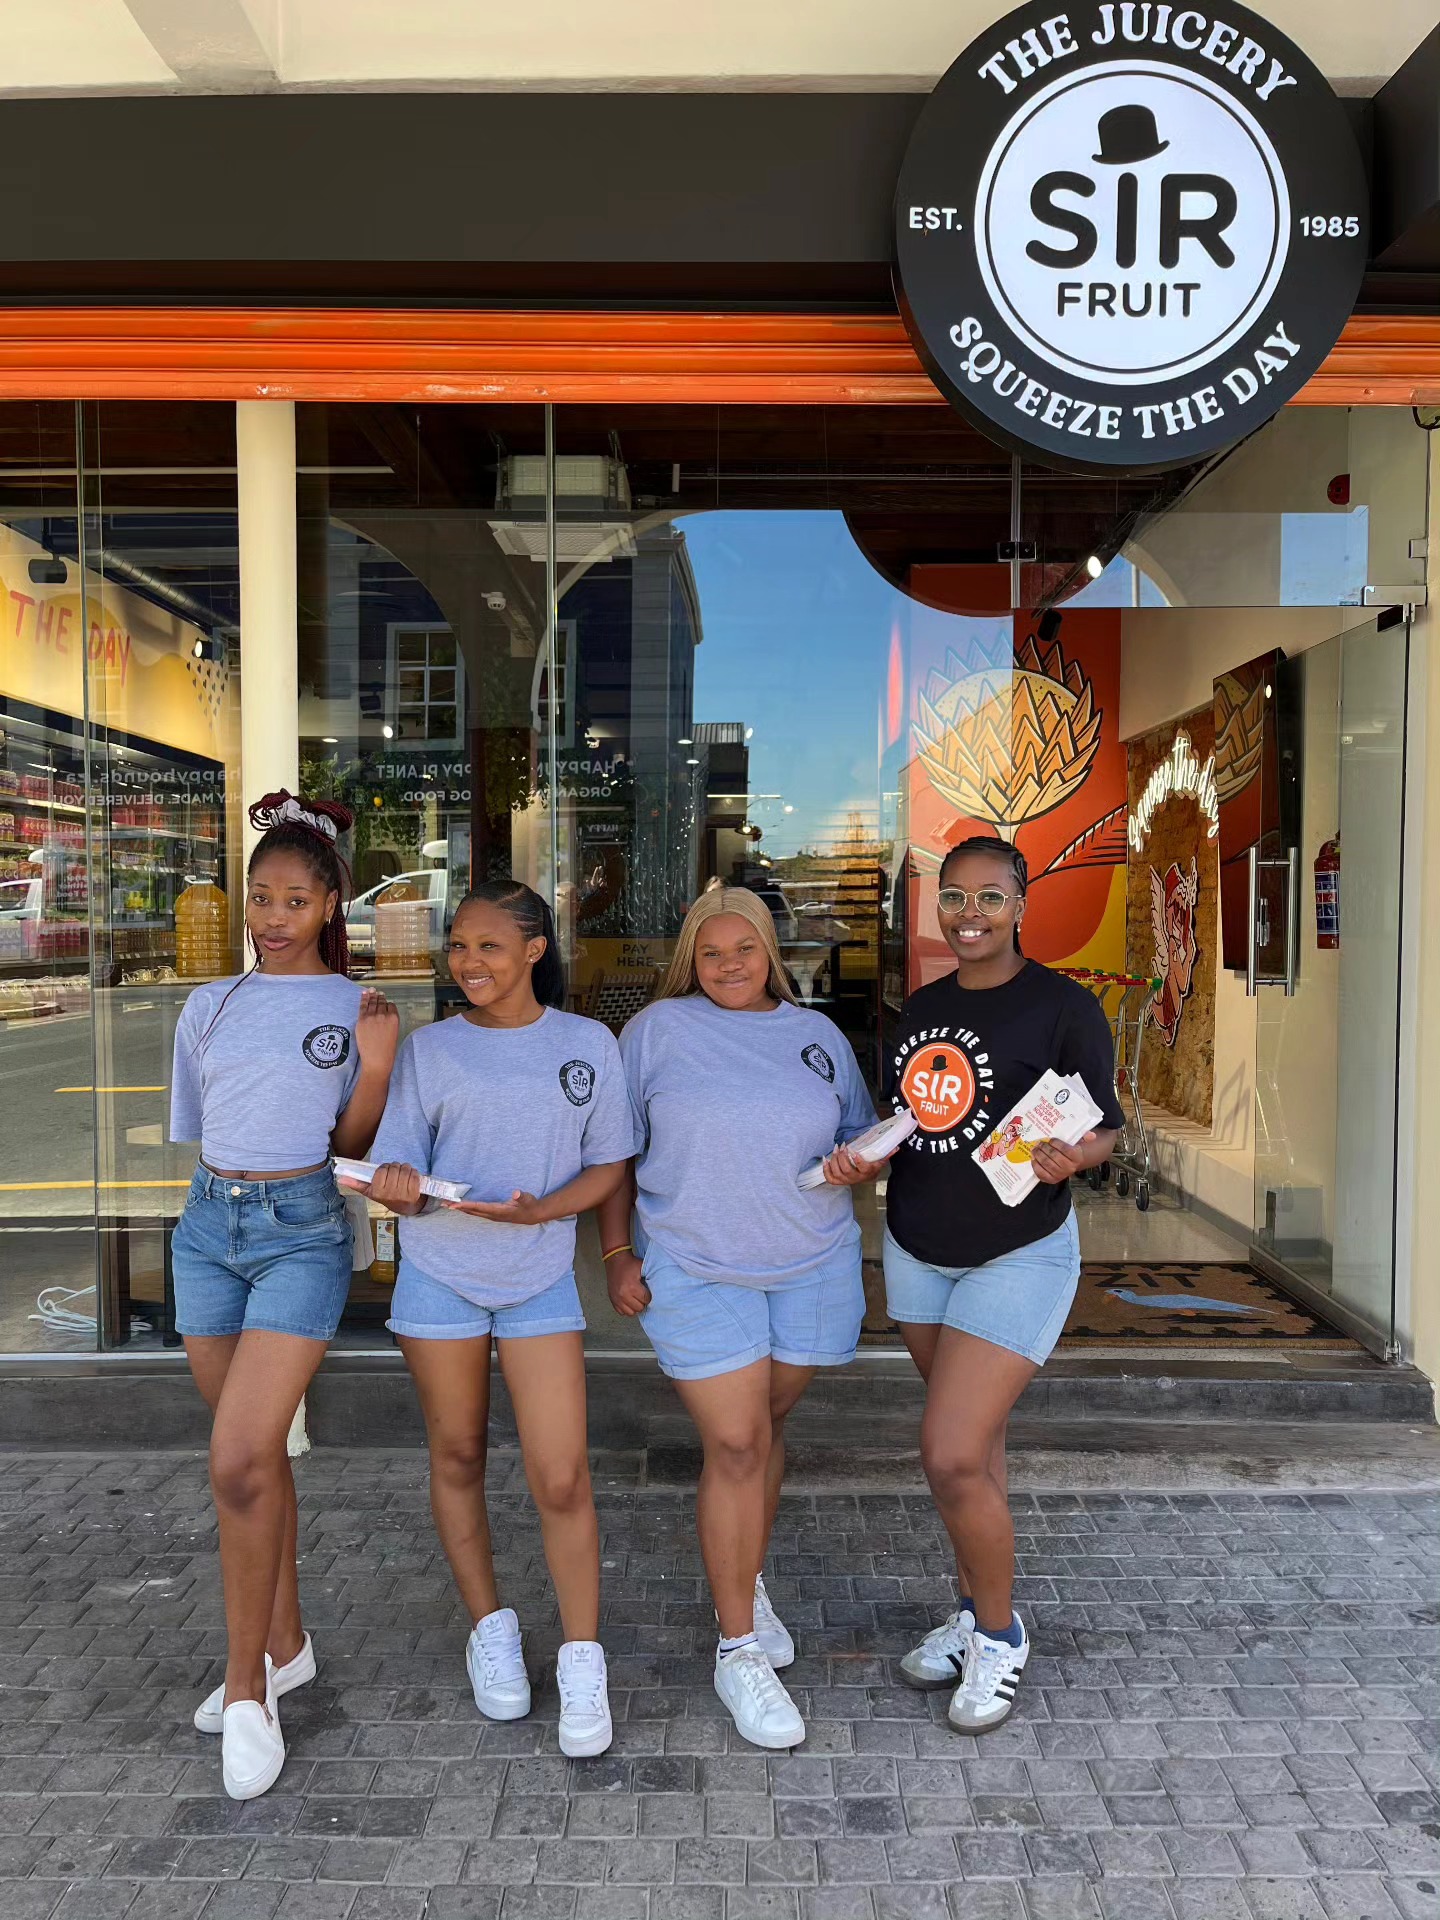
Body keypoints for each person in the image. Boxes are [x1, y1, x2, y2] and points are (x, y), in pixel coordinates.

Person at [344, 881, 635, 1759]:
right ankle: (490, 1628)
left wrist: (544, 1211)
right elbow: (398, 1165)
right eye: (459, 946)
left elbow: (609, 1166)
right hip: (440, 1275)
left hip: (538, 1277)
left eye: (489, 947)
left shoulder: (586, 1045)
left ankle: (582, 1658)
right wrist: (395, 1185)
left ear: (535, 951)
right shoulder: (431, 1049)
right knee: (458, 1455)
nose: (468, 962)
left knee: (562, 1476)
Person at [599, 887, 888, 1751]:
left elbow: (861, 1136)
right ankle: (737, 1650)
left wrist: (855, 1164)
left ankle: (743, 1572)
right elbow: (613, 1152)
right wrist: (617, 1253)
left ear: (772, 953)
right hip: (695, 1262)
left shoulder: (816, 1035)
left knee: (763, 1428)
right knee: (734, 1443)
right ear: (692, 958)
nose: (730, 964)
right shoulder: (655, 1031)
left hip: (811, 1261)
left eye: (746, 949)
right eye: (713, 951)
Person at [169, 791, 400, 1801]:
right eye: (260, 897)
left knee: (235, 1458)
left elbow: (354, 1145)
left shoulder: (358, 1011)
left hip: (302, 1232)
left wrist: (377, 1067)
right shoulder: (209, 1003)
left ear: (330, 904)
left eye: (295, 900)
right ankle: (287, 1645)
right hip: (206, 1231)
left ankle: (246, 1688)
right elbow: (207, 1129)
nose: (272, 917)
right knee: (254, 1458)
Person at [881, 836, 1123, 1733]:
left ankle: (999, 1633)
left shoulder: (1064, 1006)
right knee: (975, 1452)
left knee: (949, 1452)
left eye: (989, 896)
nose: (970, 915)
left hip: (1019, 1249)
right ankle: (970, 1612)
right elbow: (910, 1119)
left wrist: (1075, 1157)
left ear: (1021, 903)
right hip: (918, 1247)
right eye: (954, 897)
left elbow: (1107, 1126)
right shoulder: (921, 1007)